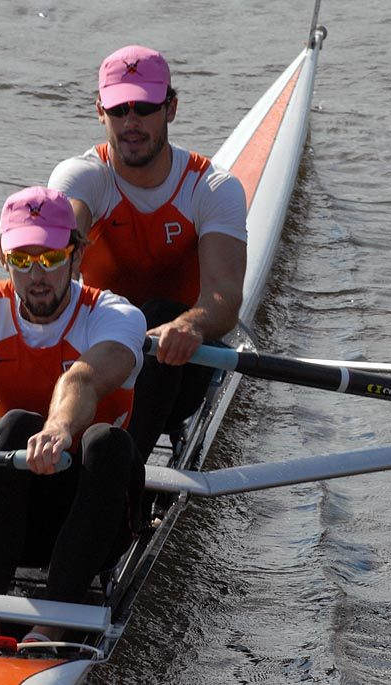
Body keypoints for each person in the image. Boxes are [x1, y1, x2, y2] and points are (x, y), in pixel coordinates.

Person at [0, 186, 147, 641]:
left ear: (76, 256)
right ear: (2, 256)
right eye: (22, 259)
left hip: (97, 517)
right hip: (10, 513)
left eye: (51, 258)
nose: (37, 274)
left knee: (105, 441)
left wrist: (58, 427)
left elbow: (83, 381)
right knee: (14, 424)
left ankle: (52, 623)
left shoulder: (116, 315)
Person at [48, 44, 248, 461]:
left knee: (156, 313)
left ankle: (124, 475)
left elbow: (224, 301)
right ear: (100, 111)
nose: (131, 123)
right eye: (119, 110)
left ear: (171, 108)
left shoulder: (212, 189)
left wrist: (191, 325)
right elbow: (59, 251)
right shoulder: (82, 177)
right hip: (102, 363)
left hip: (181, 360)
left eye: (144, 108)